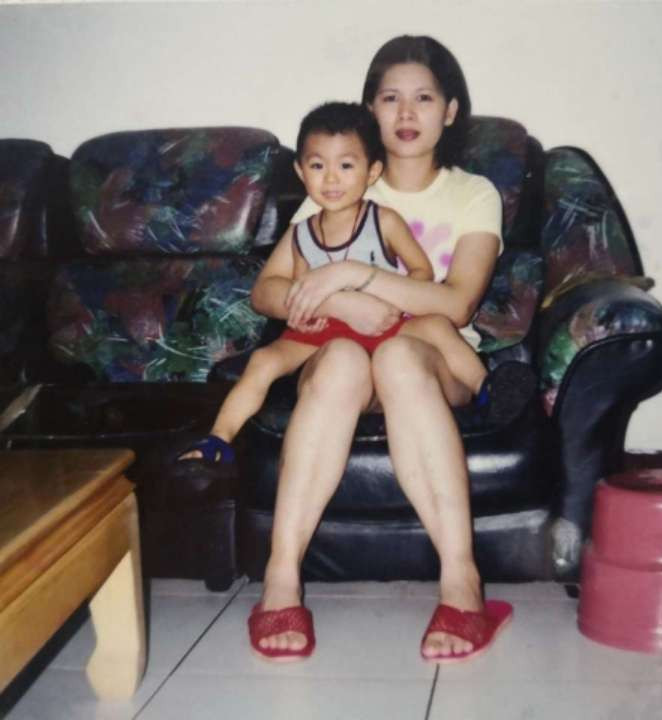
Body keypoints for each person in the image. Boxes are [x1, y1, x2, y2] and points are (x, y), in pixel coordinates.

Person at [248, 35, 531, 664]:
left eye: (423, 98)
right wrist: (341, 304)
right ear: (369, 109)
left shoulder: (473, 193)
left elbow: (457, 303)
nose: (406, 113)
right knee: (345, 361)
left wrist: (354, 276)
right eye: (389, 98)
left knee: (398, 357)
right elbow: (265, 292)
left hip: (430, 359)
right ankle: (280, 580)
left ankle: (462, 583)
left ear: (449, 111)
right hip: (344, 354)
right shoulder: (338, 183)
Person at [180, 102, 496, 464]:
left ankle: (488, 388)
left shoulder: (384, 221)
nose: (331, 179)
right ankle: (218, 439)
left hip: (384, 324)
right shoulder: (299, 233)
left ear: (372, 171)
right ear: (300, 171)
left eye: (346, 166)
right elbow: (291, 289)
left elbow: (421, 272)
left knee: (436, 325)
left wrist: (390, 302)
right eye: (318, 166)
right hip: (323, 335)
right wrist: (304, 313)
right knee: (263, 360)